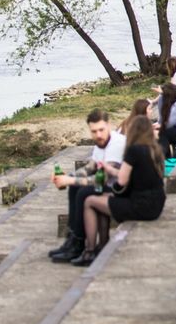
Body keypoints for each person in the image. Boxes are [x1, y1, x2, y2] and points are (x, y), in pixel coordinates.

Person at [77, 115, 167, 266]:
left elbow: (121, 181)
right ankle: (102, 245)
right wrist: (110, 169)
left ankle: (90, 251)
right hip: (156, 204)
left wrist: (113, 190)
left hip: (140, 206)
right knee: (102, 201)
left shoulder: (134, 151)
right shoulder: (155, 150)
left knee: (90, 201)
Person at [49, 109, 126, 263]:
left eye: (101, 130)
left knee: (84, 192)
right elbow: (91, 167)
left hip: (122, 190)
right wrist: (66, 177)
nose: (98, 135)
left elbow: (102, 179)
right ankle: (73, 240)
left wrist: (69, 180)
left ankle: (78, 243)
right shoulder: (101, 142)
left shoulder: (116, 143)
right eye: (94, 131)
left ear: (109, 125)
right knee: (75, 187)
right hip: (109, 186)